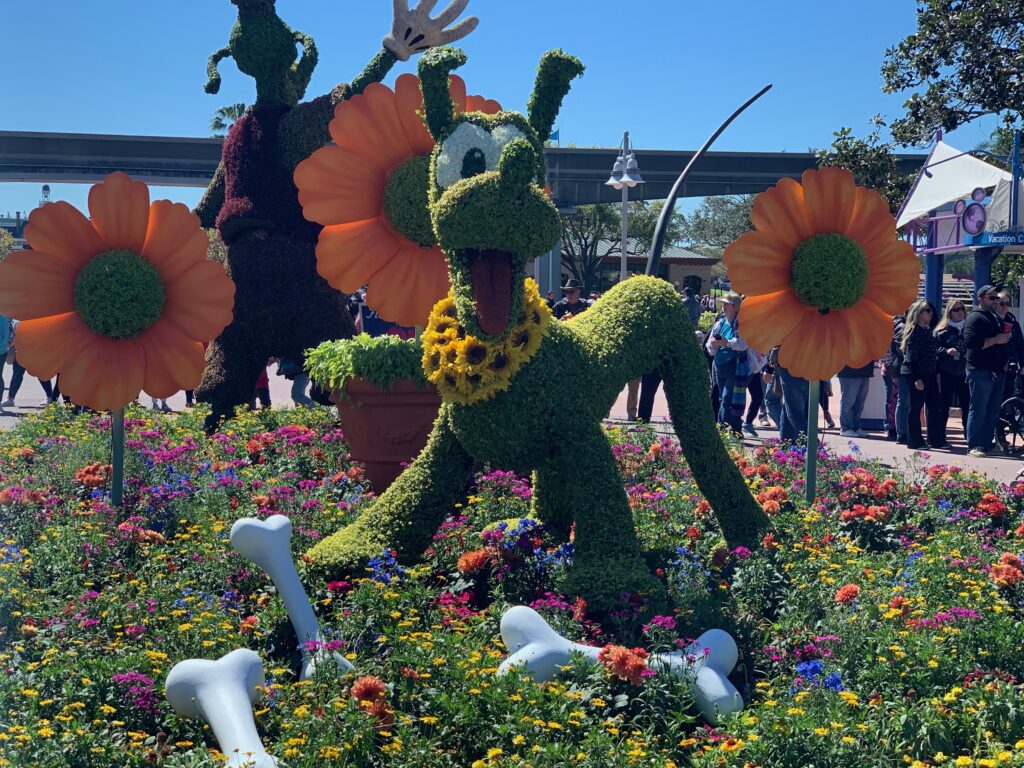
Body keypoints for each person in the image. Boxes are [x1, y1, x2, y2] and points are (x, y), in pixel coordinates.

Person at [964, 285, 1012, 456]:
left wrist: (1004, 362)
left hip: (996, 371)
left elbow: (1004, 342)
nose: (995, 301)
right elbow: (971, 343)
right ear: (981, 299)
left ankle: (986, 442)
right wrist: (996, 340)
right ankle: (974, 445)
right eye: (992, 298)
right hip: (979, 370)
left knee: (992, 409)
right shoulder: (974, 318)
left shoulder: (994, 318)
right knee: (979, 408)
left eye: (996, 298)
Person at [705, 292, 748, 435]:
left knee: (727, 399)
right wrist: (714, 344)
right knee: (723, 398)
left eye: (726, 304)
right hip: (719, 365)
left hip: (734, 366)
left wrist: (726, 343)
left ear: (735, 307)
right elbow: (710, 346)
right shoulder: (720, 322)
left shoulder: (741, 324)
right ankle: (736, 430)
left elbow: (743, 344)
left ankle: (721, 430)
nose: (723, 306)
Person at [900, 300, 940, 450]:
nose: (930, 313)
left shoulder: (926, 330)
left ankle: (931, 439)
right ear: (919, 313)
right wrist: (917, 378)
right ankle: (914, 441)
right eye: (927, 311)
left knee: (931, 404)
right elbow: (911, 357)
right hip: (916, 373)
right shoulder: (915, 330)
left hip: (927, 372)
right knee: (915, 407)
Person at [932, 298, 969, 446]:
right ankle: (940, 438)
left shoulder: (968, 328)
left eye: (962, 309)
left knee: (967, 404)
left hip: (964, 372)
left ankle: (969, 436)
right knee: (943, 405)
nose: (959, 312)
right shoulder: (941, 332)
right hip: (946, 372)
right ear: (949, 312)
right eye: (956, 310)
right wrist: (946, 351)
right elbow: (933, 350)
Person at [838, 361, 875, 437]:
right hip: (848, 371)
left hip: (865, 370)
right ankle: (846, 428)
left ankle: (856, 427)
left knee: (860, 403)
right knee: (848, 402)